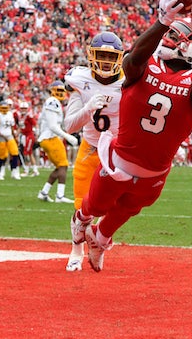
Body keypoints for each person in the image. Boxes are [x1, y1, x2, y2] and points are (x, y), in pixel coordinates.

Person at [69, 0, 192, 272]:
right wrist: (162, 22)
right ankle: (82, 219)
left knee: (129, 209)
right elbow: (134, 57)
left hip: (155, 172)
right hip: (119, 160)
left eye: (178, 33)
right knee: (97, 207)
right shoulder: (144, 66)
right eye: (171, 33)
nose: (173, 37)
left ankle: (100, 237)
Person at [63, 30, 125, 272]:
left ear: (120, 58)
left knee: (116, 204)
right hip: (90, 147)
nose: (106, 62)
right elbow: (70, 125)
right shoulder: (80, 79)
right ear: (91, 56)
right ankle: (76, 250)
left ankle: (98, 242)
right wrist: (88, 108)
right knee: (81, 206)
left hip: (117, 149)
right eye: (102, 56)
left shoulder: (128, 79)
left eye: (111, 57)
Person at [37, 81, 78, 202]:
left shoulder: (53, 102)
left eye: (61, 91)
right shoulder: (52, 102)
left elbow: (41, 122)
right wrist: (68, 137)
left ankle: (44, 192)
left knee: (60, 167)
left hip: (50, 138)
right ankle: (60, 195)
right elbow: (52, 126)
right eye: (57, 91)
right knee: (63, 165)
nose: (60, 93)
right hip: (50, 138)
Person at [0, 98, 22, 180]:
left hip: (9, 136)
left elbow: (12, 127)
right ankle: (0, 172)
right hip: (1, 137)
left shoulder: (10, 114)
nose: (4, 110)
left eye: (6, 108)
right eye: (3, 108)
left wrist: (14, 136)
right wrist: (3, 136)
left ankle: (14, 171)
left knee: (15, 152)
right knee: (3, 156)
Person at [17, 101, 40, 177]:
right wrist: (16, 135)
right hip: (24, 136)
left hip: (29, 136)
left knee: (27, 153)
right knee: (28, 153)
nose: (23, 110)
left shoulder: (29, 116)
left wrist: (36, 134)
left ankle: (27, 170)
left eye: (24, 108)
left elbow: (35, 124)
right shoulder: (21, 116)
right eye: (22, 108)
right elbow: (20, 128)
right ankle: (34, 170)